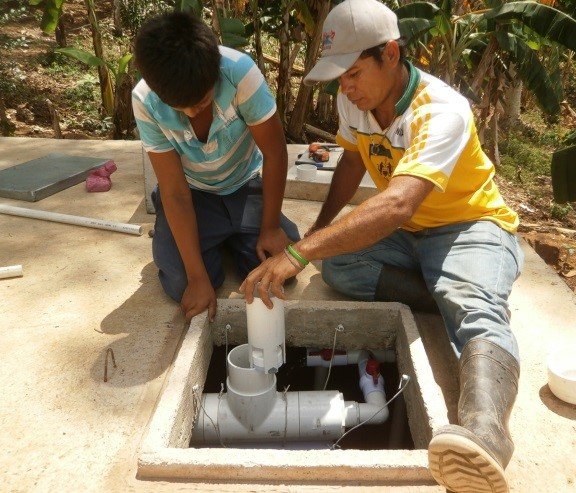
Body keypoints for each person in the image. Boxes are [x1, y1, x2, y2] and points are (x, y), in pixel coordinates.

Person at [241, 1, 524, 491]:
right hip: (407, 233)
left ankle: (486, 434)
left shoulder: (442, 111)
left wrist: (297, 253)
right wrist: (315, 237)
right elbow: (352, 162)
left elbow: (396, 204)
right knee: (339, 267)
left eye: (353, 73)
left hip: (468, 225)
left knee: (475, 311)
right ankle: (447, 293)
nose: (345, 87)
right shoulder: (354, 102)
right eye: (339, 78)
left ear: (390, 53)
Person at [132, 12, 299, 323]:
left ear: (214, 73)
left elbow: (275, 152)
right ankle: (219, 239)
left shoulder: (239, 72)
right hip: (193, 194)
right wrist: (197, 277)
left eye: (203, 100)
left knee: (281, 269)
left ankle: (229, 236)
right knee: (182, 284)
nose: (194, 112)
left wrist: (270, 227)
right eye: (182, 106)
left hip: (245, 185)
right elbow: (175, 192)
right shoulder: (145, 100)